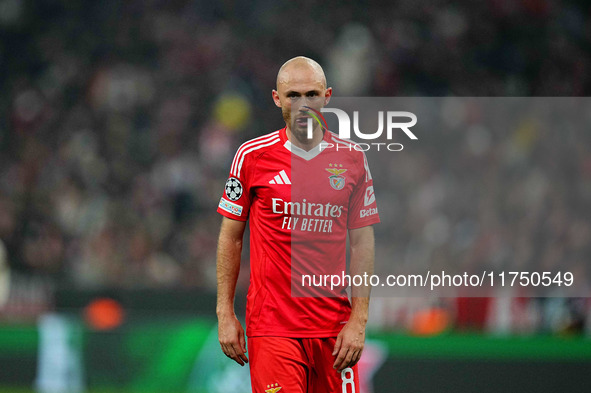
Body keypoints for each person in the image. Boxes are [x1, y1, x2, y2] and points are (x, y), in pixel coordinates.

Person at [216, 56, 379, 393]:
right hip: (273, 326)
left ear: (327, 96)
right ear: (277, 98)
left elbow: (362, 242)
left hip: (333, 330)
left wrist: (358, 321)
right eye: (293, 95)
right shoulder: (252, 156)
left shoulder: (352, 159)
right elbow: (231, 236)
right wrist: (224, 312)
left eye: (312, 94)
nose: (303, 104)